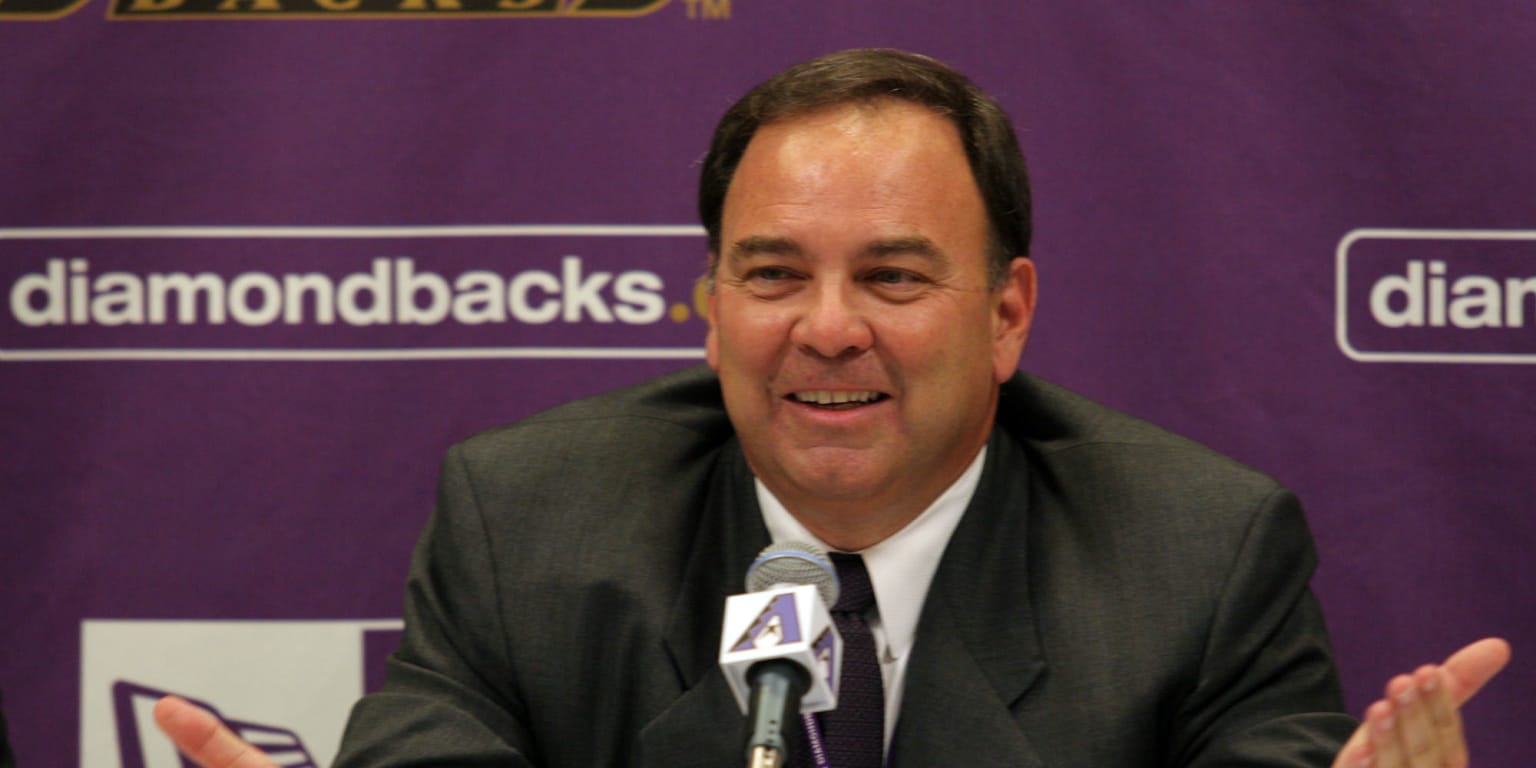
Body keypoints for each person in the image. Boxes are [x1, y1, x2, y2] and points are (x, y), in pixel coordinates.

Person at [155, 48, 1509, 768]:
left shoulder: (1197, 554)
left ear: (1008, 314)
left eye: (895, 275)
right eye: (773, 273)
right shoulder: (530, 520)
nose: (826, 326)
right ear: (712, 303)